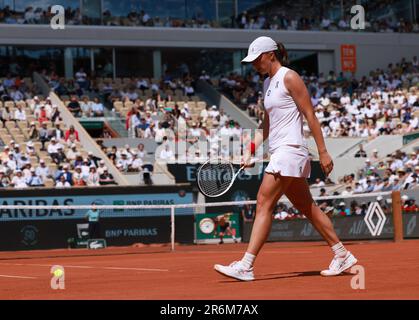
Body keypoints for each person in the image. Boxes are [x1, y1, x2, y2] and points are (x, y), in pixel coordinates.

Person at [214, 36, 357, 281]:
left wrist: (322, 151)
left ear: (271, 54)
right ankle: (342, 254)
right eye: (252, 61)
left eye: (257, 59)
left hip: (290, 151)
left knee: (263, 203)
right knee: (307, 207)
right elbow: (267, 123)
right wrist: (250, 149)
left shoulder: (290, 77)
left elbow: (310, 115)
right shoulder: (267, 83)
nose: (255, 65)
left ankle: (246, 265)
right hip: (281, 151)